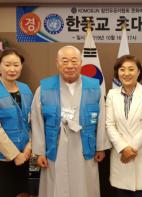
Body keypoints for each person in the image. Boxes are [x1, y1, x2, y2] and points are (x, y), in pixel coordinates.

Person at [31, 45, 111, 197]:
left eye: (74, 61)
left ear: (81, 62)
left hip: (84, 143)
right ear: (57, 63)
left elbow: (102, 118)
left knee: (84, 185)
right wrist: (39, 152)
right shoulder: (44, 88)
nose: (69, 65)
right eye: (64, 61)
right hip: (56, 143)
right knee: (56, 184)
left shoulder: (94, 87)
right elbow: (37, 121)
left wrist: (100, 147)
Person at [106, 55, 142, 197]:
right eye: (122, 69)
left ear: (139, 72)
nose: (126, 73)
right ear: (117, 73)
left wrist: (132, 148)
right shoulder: (112, 94)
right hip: (120, 154)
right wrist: (123, 148)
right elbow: (109, 124)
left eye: (131, 69)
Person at [0, 48, 32, 197]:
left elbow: (33, 121)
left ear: (21, 66)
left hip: (24, 155)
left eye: (16, 64)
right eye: (7, 65)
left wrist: (28, 148)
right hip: (4, 158)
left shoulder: (25, 89)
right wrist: (14, 155)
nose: (12, 69)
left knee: (23, 193)